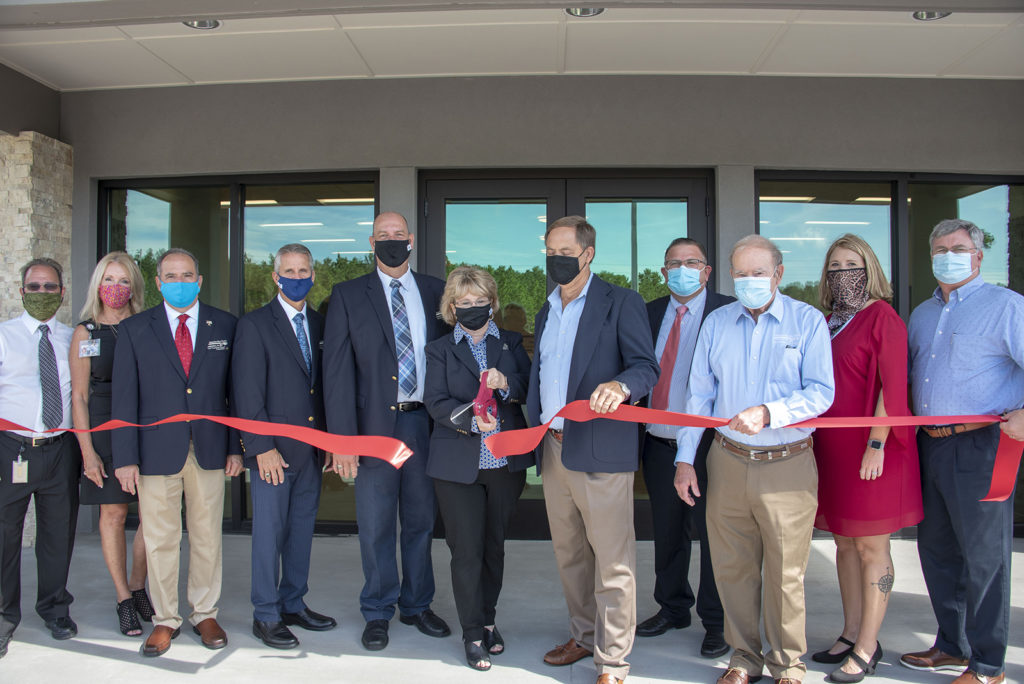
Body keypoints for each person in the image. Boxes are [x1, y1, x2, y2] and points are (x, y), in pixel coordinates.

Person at [675, 234, 834, 684]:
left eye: (758, 273)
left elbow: (822, 393)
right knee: (733, 569)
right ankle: (744, 658)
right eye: (741, 274)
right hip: (727, 461)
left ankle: (788, 664)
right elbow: (699, 396)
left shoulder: (807, 322)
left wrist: (770, 413)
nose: (749, 282)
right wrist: (685, 461)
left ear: (778, 275)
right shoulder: (717, 323)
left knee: (786, 574)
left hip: (787, 462)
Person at [529, 216, 659, 684]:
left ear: (588, 254)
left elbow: (646, 367)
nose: (556, 260)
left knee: (613, 560)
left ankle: (613, 661)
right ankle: (582, 636)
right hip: (554, 448)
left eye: (565, 251)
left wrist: (622, 385)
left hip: (601, 451)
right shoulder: (547, 309)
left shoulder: (621, 302)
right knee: (570, 555)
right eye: (550, 251)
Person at [900, 219, 1024, 684]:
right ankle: (952, 645)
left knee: (985, 556)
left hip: (982, 446)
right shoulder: (922, 315)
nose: (948, 255)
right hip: (930, 446)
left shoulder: (1007, 307)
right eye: (940, 249)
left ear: (978, 255)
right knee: (937, 550)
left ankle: (989, 664)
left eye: (958, 247)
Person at [323, 211, 452, 651]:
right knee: (376, 524)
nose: (392, 241)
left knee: (419, 521)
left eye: (399, 234)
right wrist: (343, 440)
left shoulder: (437, 291)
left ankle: (417, 605)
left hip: (423, 423)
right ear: (371, 244)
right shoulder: (347, 295)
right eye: (383, 236)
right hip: (374, 428)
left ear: (411, 240)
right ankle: (378, 609)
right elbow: (336, 373)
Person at [112, 247, 243, 657]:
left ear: (199, 281)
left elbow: (234, 393)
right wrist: (125, 457)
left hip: (207, 448)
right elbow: (124, 399)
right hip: (154, 454)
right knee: (160, 538)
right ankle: (165, 619)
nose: (180, 283)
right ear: (157, 282)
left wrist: (235, 447)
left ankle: (204, 611)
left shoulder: (224, 324)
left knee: (207, 536)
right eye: (171, 276)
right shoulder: (134, 329)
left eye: (187, 275)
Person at [809, 234, 922, 682]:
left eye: (851, 263)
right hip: (832, 452)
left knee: (873, 547)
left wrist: (876, 443)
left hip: (874, 452)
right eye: (834, 266)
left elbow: (891, 388)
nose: (842, 272)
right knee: (842, 544)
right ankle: (850, 630)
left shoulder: (883, 317)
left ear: (869, 267)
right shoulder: (827, 320)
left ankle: (869, 645)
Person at [423, 266, 534, 672]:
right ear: (452, 307)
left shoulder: (509, 342)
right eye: (464, 303)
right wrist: (469, 419)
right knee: (465, 551)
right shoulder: (438, 349)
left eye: (480, 301)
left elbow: (528, 386)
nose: (473, 308)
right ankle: (471, 633)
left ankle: (489, 620)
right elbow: (434, 402)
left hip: (504, 463)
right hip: (457, 466)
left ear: (493, 303)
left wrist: (506, 384)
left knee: (493, 547)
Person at [232, 243, 336, 650]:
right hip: (272, 453)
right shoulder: (255, 324)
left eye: (304, 270)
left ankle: (293, 603)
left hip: (310, 451)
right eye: (289, 271)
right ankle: (266, 614)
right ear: (275, 276)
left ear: (313, 274)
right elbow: (247, 392)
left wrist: (328, 441)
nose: (297, 277)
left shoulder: (322, 323)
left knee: (300, 532)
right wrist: (260, 447)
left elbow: (325, 388)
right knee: (269, 536)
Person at [637, 238, 733, 659]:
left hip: (711, 446)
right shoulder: (650, 312)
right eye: (673, 263)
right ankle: (673, 607)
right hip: (659, 441)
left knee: (715, 535)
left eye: (691, 262)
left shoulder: (728, 311)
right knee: (668, 531)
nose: (682, 269)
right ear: (663, 272)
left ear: (707, 271)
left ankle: (717, 621)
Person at [70, 251, 154, 638]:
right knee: (114, 516)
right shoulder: (86, 333)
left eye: (123, 281)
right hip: (102, 431)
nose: (115, 288)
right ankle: (123, 598)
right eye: (109, 280)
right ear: (97, 285)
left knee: (152, 518)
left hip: (147, 427)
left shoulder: (147, 326)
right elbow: (80, 397)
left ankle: (138, 584)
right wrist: (87, 452)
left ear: (133, 286)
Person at [0, 258, 79, 659]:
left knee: (56, 536)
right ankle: (2, 617)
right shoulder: (3, 336)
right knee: (4, 536)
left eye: (51, 287)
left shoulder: (72, 338)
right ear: (22, 291)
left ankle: (54, 609)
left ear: (62, 293)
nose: (43, 294)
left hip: (59, 449)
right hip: (10, 448)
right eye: (35, 287)